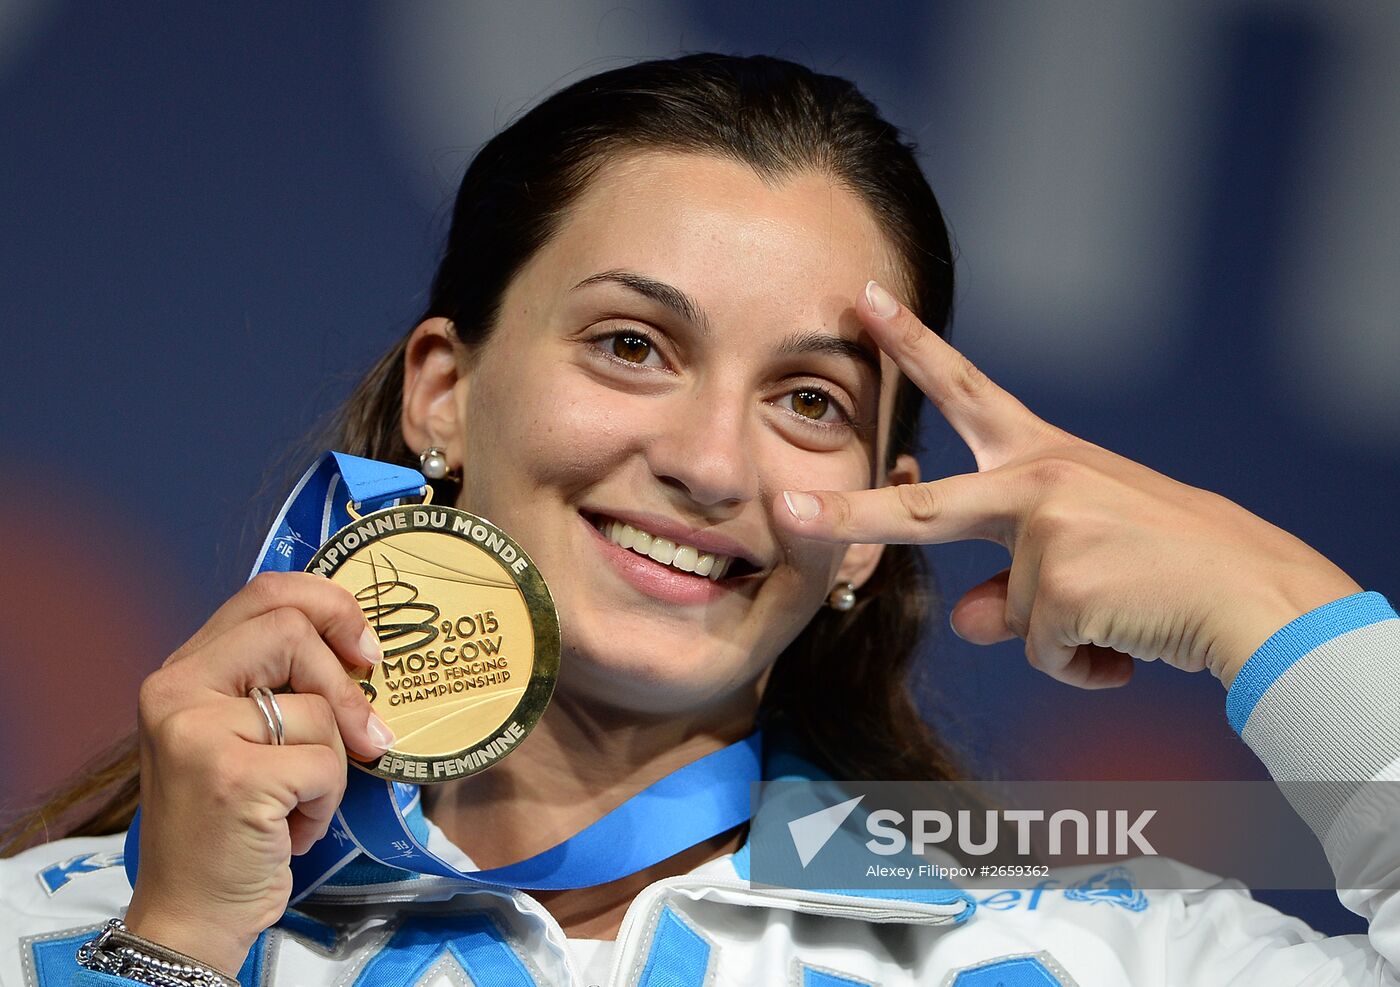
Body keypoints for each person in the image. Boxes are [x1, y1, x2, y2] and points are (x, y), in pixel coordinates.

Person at [2, 52, 1396, 987]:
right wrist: (177, 952)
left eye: (806, 399)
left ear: (871, 526)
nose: (712, 461)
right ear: (444, 394)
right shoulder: (71, 924)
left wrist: (1278, 614)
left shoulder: (1098, 946)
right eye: (631, 347)